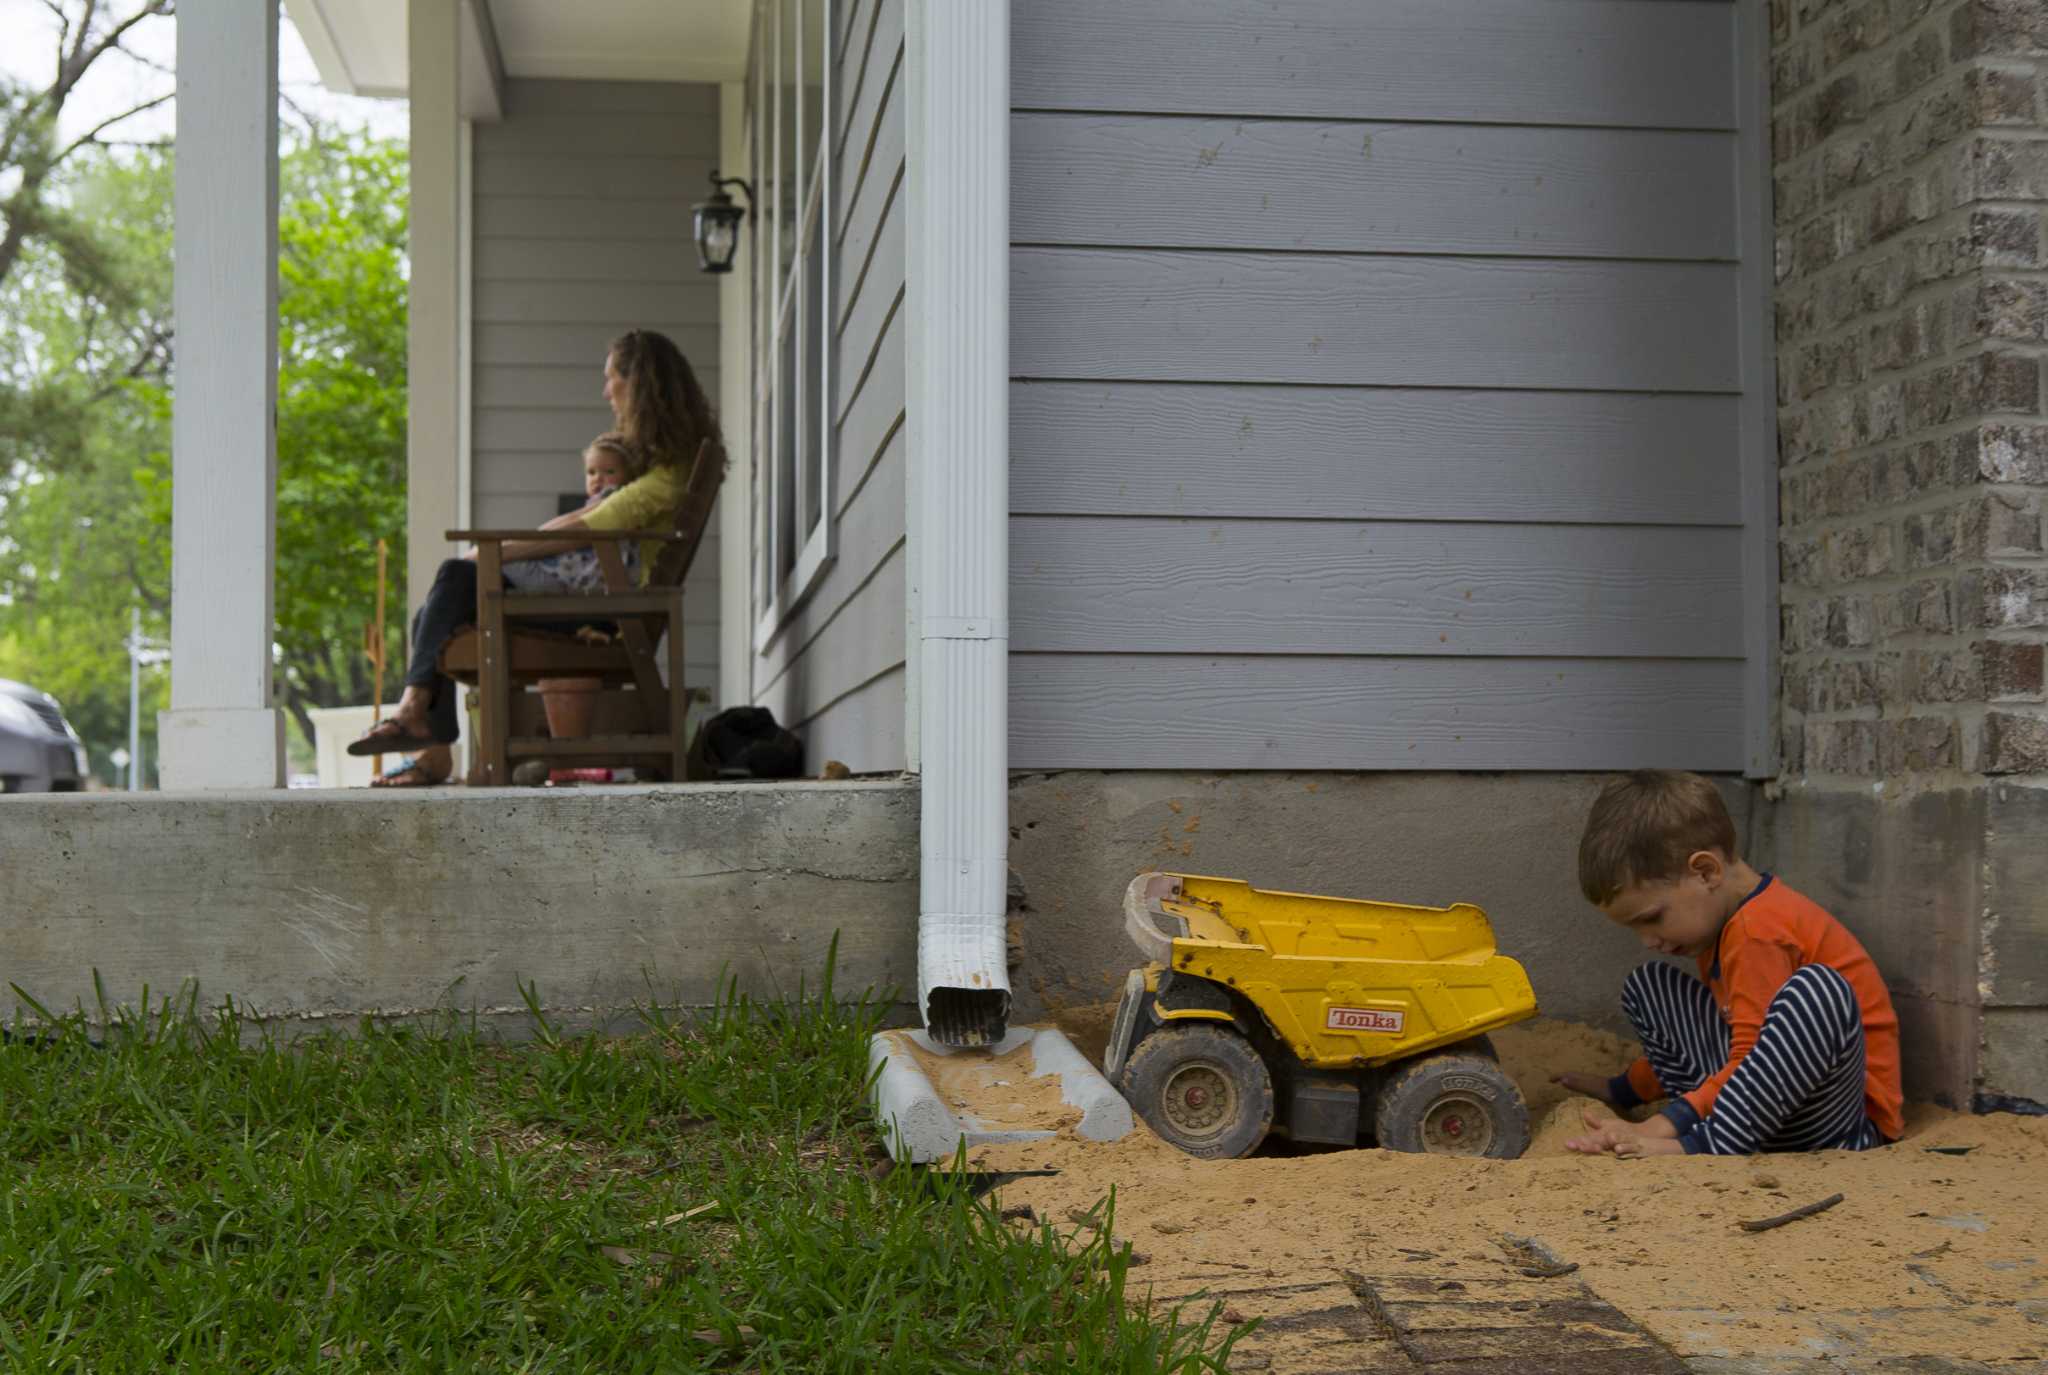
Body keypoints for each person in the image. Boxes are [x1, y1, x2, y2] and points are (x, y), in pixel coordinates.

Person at [348, 329, 720, 786]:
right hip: (609, 607)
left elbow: (592, 525)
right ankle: (425, 733)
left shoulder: (667, 474)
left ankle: (418, 722)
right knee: (440, 603)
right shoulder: (665, 465)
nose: (605, 392)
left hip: (606, 621)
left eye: (611, 379)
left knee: (455, 580)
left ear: (639, 383)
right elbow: (596, 518)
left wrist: (495, 554)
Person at [1554, 769, 1902, 1158]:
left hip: (1832, 1120)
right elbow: (1736, 1044)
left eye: (1652, 918)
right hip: (1762, 1106)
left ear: (1705, 872)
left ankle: (1701, 1143)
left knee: (1820, 990)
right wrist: (1623, 1090)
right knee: (1648, 986)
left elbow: (1753, 1057)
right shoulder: (1719, 929)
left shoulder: (1758, 931)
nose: (1648, 940)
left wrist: (1665, 1124)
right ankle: (1701, 1127)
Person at [500, 432, 646, 595]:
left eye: (609, 472)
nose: (597, 478)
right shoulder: (606, 503)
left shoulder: (614, 498)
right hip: (573, 581)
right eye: (591, 472)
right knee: (499, 565)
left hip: (569, 582)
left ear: (630, 476)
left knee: (495, 561)